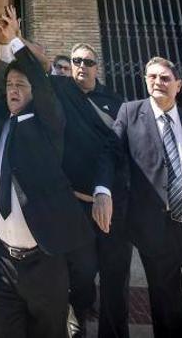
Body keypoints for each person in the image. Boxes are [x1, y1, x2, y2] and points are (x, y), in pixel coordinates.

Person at [0, 11, 93, 338]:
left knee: (47, 331)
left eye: (21, 85)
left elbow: (44, 83)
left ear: (34, 91)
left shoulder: (48, 122)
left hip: (42, 260)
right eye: (9, 85)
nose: (13, 90)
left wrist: (13, 40)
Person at [94, 56, 182, 338]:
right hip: (157, 232)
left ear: (179, 85)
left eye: (165, 78)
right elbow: (109, 153)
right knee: (167, 311)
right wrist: (102, 189)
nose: (157, 82)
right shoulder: (130, 113)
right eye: (152, 77)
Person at [51, 43, 130, 338]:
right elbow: (34, 66)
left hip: (110, 204)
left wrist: (106, 191)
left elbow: (117, 149)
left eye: (88, 61)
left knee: (115, 274)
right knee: (82, 271)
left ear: (98, 67)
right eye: (76, 61)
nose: (81, 66)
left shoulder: (115, 101)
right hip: (74, 205)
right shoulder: (60, 90)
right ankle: (78, 315)